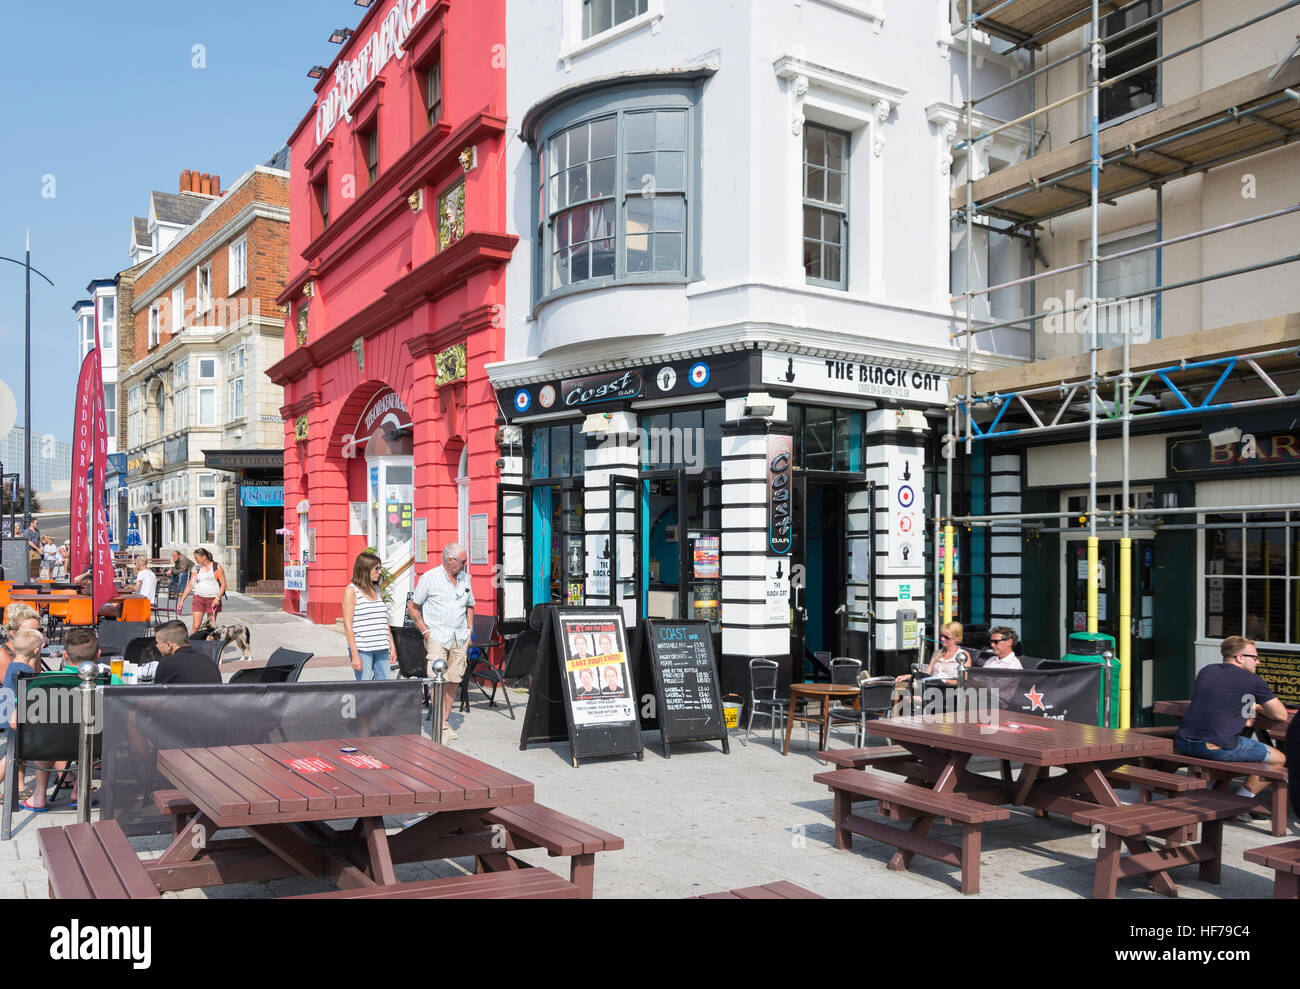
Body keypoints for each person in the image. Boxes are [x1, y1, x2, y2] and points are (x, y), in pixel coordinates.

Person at [1174, 636, 1287, 802]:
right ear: (1240, 657)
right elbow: (1280, 715)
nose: (1258, 662)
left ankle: (1225, 792)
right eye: (1255, 658)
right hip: (1212, 747)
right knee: (1279, 759)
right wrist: (1256, 707)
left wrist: (1251, 707)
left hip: (1184, 741)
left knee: (1233, 739)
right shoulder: (1253, 681)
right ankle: (1242, 800)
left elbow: (1230, 705)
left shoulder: (1207, 671)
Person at [407, 543, 474, 741]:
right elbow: (413, 606)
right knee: (438, 681)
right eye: (462, 561)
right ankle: (438, 725)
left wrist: (470, 630)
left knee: (454, 679)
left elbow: (470, 605)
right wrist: (425, 631)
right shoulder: (430, 578)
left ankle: (444, 721)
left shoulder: (465, 577)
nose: (464, 565)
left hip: (459, 636)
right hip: (437, 636)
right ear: (449, 560)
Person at [0, 629, 51, 810]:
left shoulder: (13, 664)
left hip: (7, 713)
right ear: (37, 652)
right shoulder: (25, 671)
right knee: (12, 755)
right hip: (16, 717)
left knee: (13, 753)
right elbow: (30, 697)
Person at [343, 551, 395, 682]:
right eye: (376, 568)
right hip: (363, 649)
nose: (380, 572)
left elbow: (384, 621)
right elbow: (348, 625)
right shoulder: (351, 591)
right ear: (365, 569)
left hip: (381, 647)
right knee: (365, 688)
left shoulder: (377, 590)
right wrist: (355, 655)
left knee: (384, 686)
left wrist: (392, 645)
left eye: (380, 568)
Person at [153, 620, 222, 685]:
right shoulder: (209, 661)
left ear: (169, 645)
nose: (156, 646)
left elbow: (158, 694)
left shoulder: (167, 664)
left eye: (158, 642)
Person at [177, 548, 227, 634]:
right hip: (198, 599)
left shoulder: (216, 567)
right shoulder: (196, 568)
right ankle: (190, 646)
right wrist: (182, 600)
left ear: (204, 557)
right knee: (196, 626)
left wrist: (217, 598)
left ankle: (207, 646)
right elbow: (190, 585)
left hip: (213, 599)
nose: (195, 560)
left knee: (210, 627)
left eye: (196, 558)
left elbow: (223, 585)